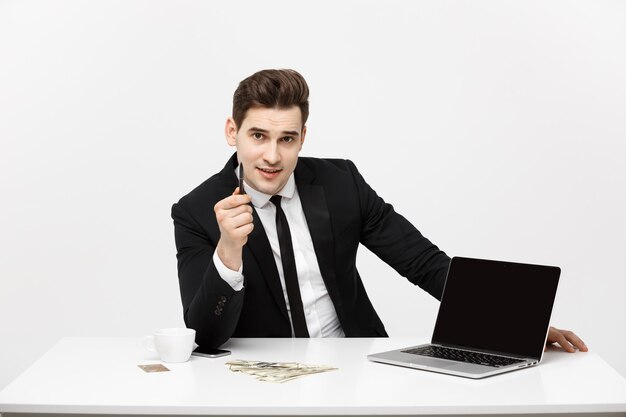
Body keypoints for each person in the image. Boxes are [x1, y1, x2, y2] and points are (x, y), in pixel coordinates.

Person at [172, 69, 587, 354]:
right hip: (263, 378)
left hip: (355, 365)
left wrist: (517, 323)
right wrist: (228, 250)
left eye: (287, 139)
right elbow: (206, 336)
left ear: (303, 137)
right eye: (258, 136)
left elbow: (424, 262)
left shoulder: (340, 183)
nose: (272, 155)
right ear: (233, 132)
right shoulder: (195, 211)